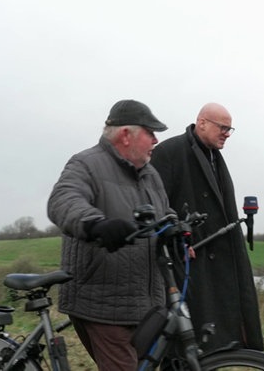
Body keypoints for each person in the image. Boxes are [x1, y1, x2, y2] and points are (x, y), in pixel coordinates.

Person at [47, 99, 171, 371]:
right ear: (127, 135)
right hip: (102, 301)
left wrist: (175, 227)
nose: (156, 140)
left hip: (145, 302)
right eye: (150, 133)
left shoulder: (150, 174)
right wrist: (96, 225)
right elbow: (63, 201)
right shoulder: (86, 164)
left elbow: (162, 213)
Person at [151, 102, 264, 356]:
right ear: (201, 122)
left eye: (229, 129)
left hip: (218, 255)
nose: (226, 133)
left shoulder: (214, 156)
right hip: (188, 259)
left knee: (211, 334)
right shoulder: (170, 152)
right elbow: (156, 204)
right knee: (185, 337)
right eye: (222, 127)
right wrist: (176, 241)